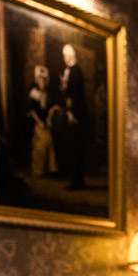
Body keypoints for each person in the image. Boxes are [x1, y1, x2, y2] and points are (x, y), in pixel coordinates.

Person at [50, 43, 89, 191]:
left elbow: (75, 95)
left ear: (70, 56)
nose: (64, 58)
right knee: (73, 148)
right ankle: (75, 179)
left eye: (65, 56)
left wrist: (72, 113)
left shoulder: (75, 71)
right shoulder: (71, 71)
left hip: (77, 115)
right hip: (73, 113)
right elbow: (69, 92)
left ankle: (77, 181)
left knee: (76, 149)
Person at [26, 65, 56, 177]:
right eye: (40, 80)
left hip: (45, 122)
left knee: (49, 142)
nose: (42, 82)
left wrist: (49, 115)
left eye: (44, 80)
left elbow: (50, 107)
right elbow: (31, 110)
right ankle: (39, 170)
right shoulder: (33, 93)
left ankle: (48, 169)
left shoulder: (46, 95)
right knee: (39, 146)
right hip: (36, 123)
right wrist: (39, 122)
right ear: (37, 81)